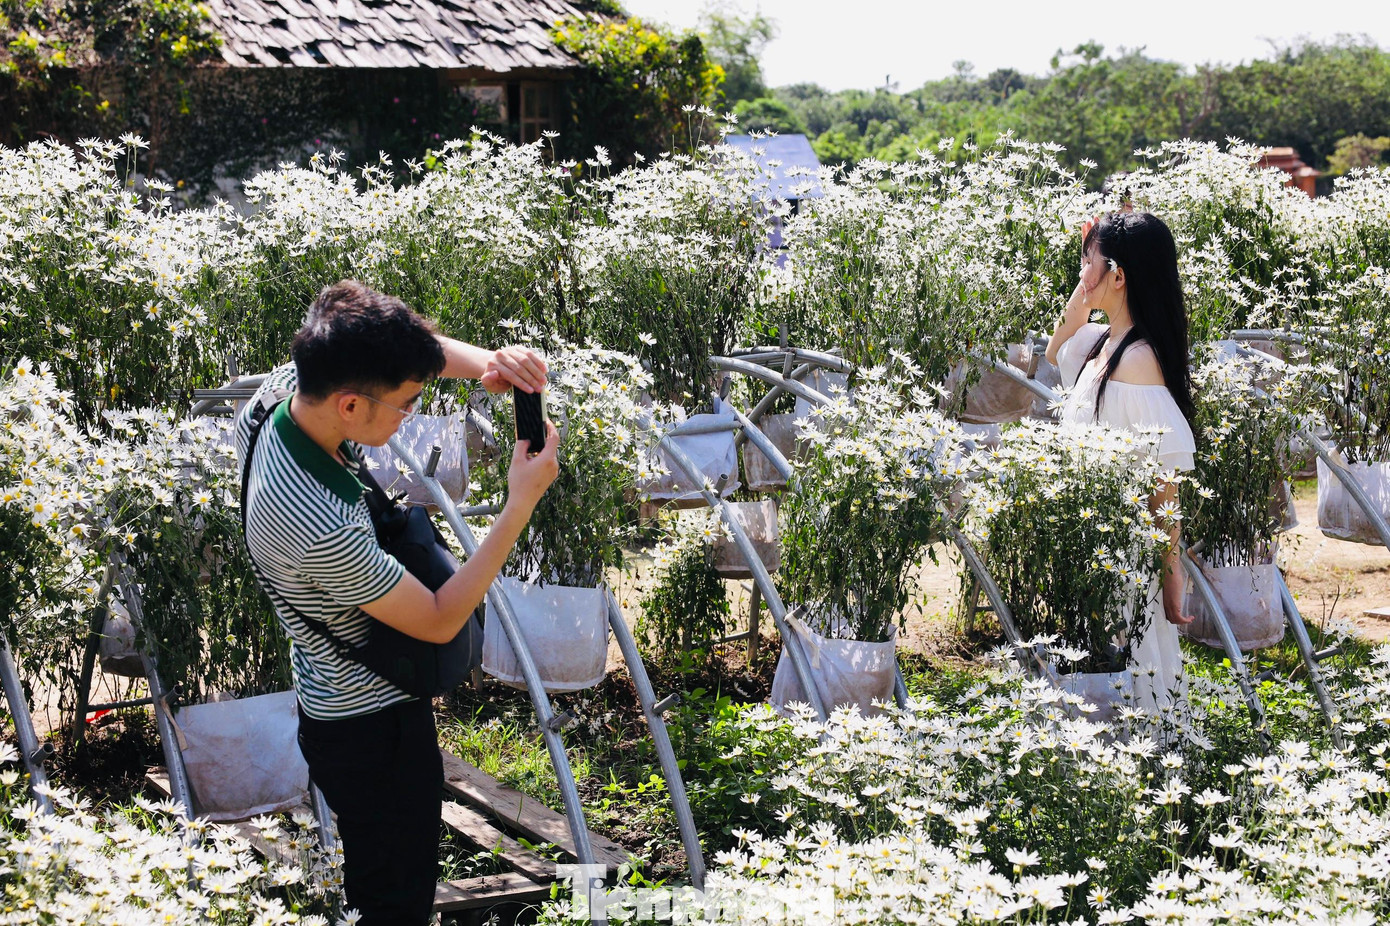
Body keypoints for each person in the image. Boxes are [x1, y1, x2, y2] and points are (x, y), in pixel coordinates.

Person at [236, 280, 558, 925]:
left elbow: (412, 347)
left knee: (390, 875)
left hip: (346, 700)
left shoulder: (287, 394)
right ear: (351, 405)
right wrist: (520, 502)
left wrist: (496, 365)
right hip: (368, 727)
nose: (414, 413)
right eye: (409, 402)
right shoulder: (311, 520)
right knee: (394, 897)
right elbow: (440, 620)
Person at [1044, 211, 1197, 718]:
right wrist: (1092, 272)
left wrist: (1170, 574)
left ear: (1120, 275)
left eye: (1086, 264)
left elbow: (1162, 481)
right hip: (1090, 541)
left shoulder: (1137, 360)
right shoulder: (1100, 346)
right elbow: (1054, 348)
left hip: (1123, 555)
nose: (1080, 275)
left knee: (1125, 681)